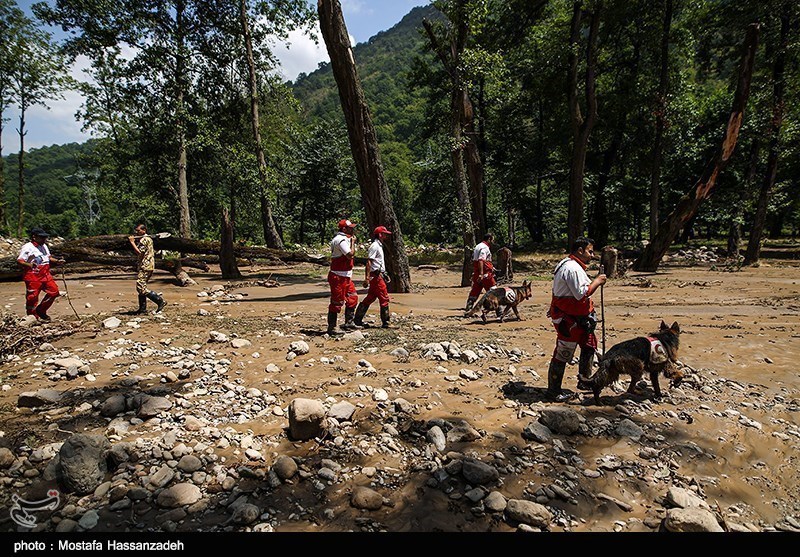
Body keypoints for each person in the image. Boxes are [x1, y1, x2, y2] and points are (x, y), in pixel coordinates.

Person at [546, 236, 606, 402]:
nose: (592, 255)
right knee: (563, 353)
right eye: (590, 251)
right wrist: (598, 281)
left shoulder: (569, 264)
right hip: (569, 320)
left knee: (588, 346)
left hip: (581, 318)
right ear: (580, 251)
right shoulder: (572, 268)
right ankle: (554, 390)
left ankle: (584, 381)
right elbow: (582, 293)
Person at [16, 228, 65, 322]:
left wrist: (58, 261)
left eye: (45, 237)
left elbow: (48, 257)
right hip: (33, 276)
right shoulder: (27, 247)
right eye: (42, 237)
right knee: (32, 297)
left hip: (45, 274)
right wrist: (29, 265)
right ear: (34, 237)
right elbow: (20, 260)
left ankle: (41, 310)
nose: (44, 239)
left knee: (54, 292)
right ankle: (32, 317)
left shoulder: (44, 246)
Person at [354, 225, 392, 328]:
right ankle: (386, 322)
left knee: (370, 297)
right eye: (384, 234)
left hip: (378, 275)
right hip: (376, 276)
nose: (386, 236)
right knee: (384, 298)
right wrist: (366, 278)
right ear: (380, 235)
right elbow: (369, 262)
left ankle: (357, 319)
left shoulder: (379, 245)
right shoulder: (375, 246)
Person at [327, 218, 360, 336]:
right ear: (344, 228)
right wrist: (352, 243)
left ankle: (349, 323)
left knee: (353, 297)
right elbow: (350, 255)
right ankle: (332, 328)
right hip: (338, 276)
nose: (353, 229)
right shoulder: (341, 240)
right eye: (350, 227)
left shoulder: (343, 239)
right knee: (337, 302)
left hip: (345, 276)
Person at [128, 224, 166, 314]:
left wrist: (132, 242)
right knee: (142, 286)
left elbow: (139, 253)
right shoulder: (147, 239)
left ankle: (160, 301)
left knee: (140, 287)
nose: (137, 232)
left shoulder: (145, 240)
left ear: (144, 230)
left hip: (146, 265)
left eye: (138, 231)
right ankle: (142, 309)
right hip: (148, 265)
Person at [465, 233, 496, 312]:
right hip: (485, 274)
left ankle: (468, 309)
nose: (493, 241)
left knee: (475, 290)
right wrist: (482, 274)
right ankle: (499, 312)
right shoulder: (484, 248)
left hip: (477, 273)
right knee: (494, 291)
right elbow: (481, 260)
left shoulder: (478, 246)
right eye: (492, 239)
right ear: (489, 239)